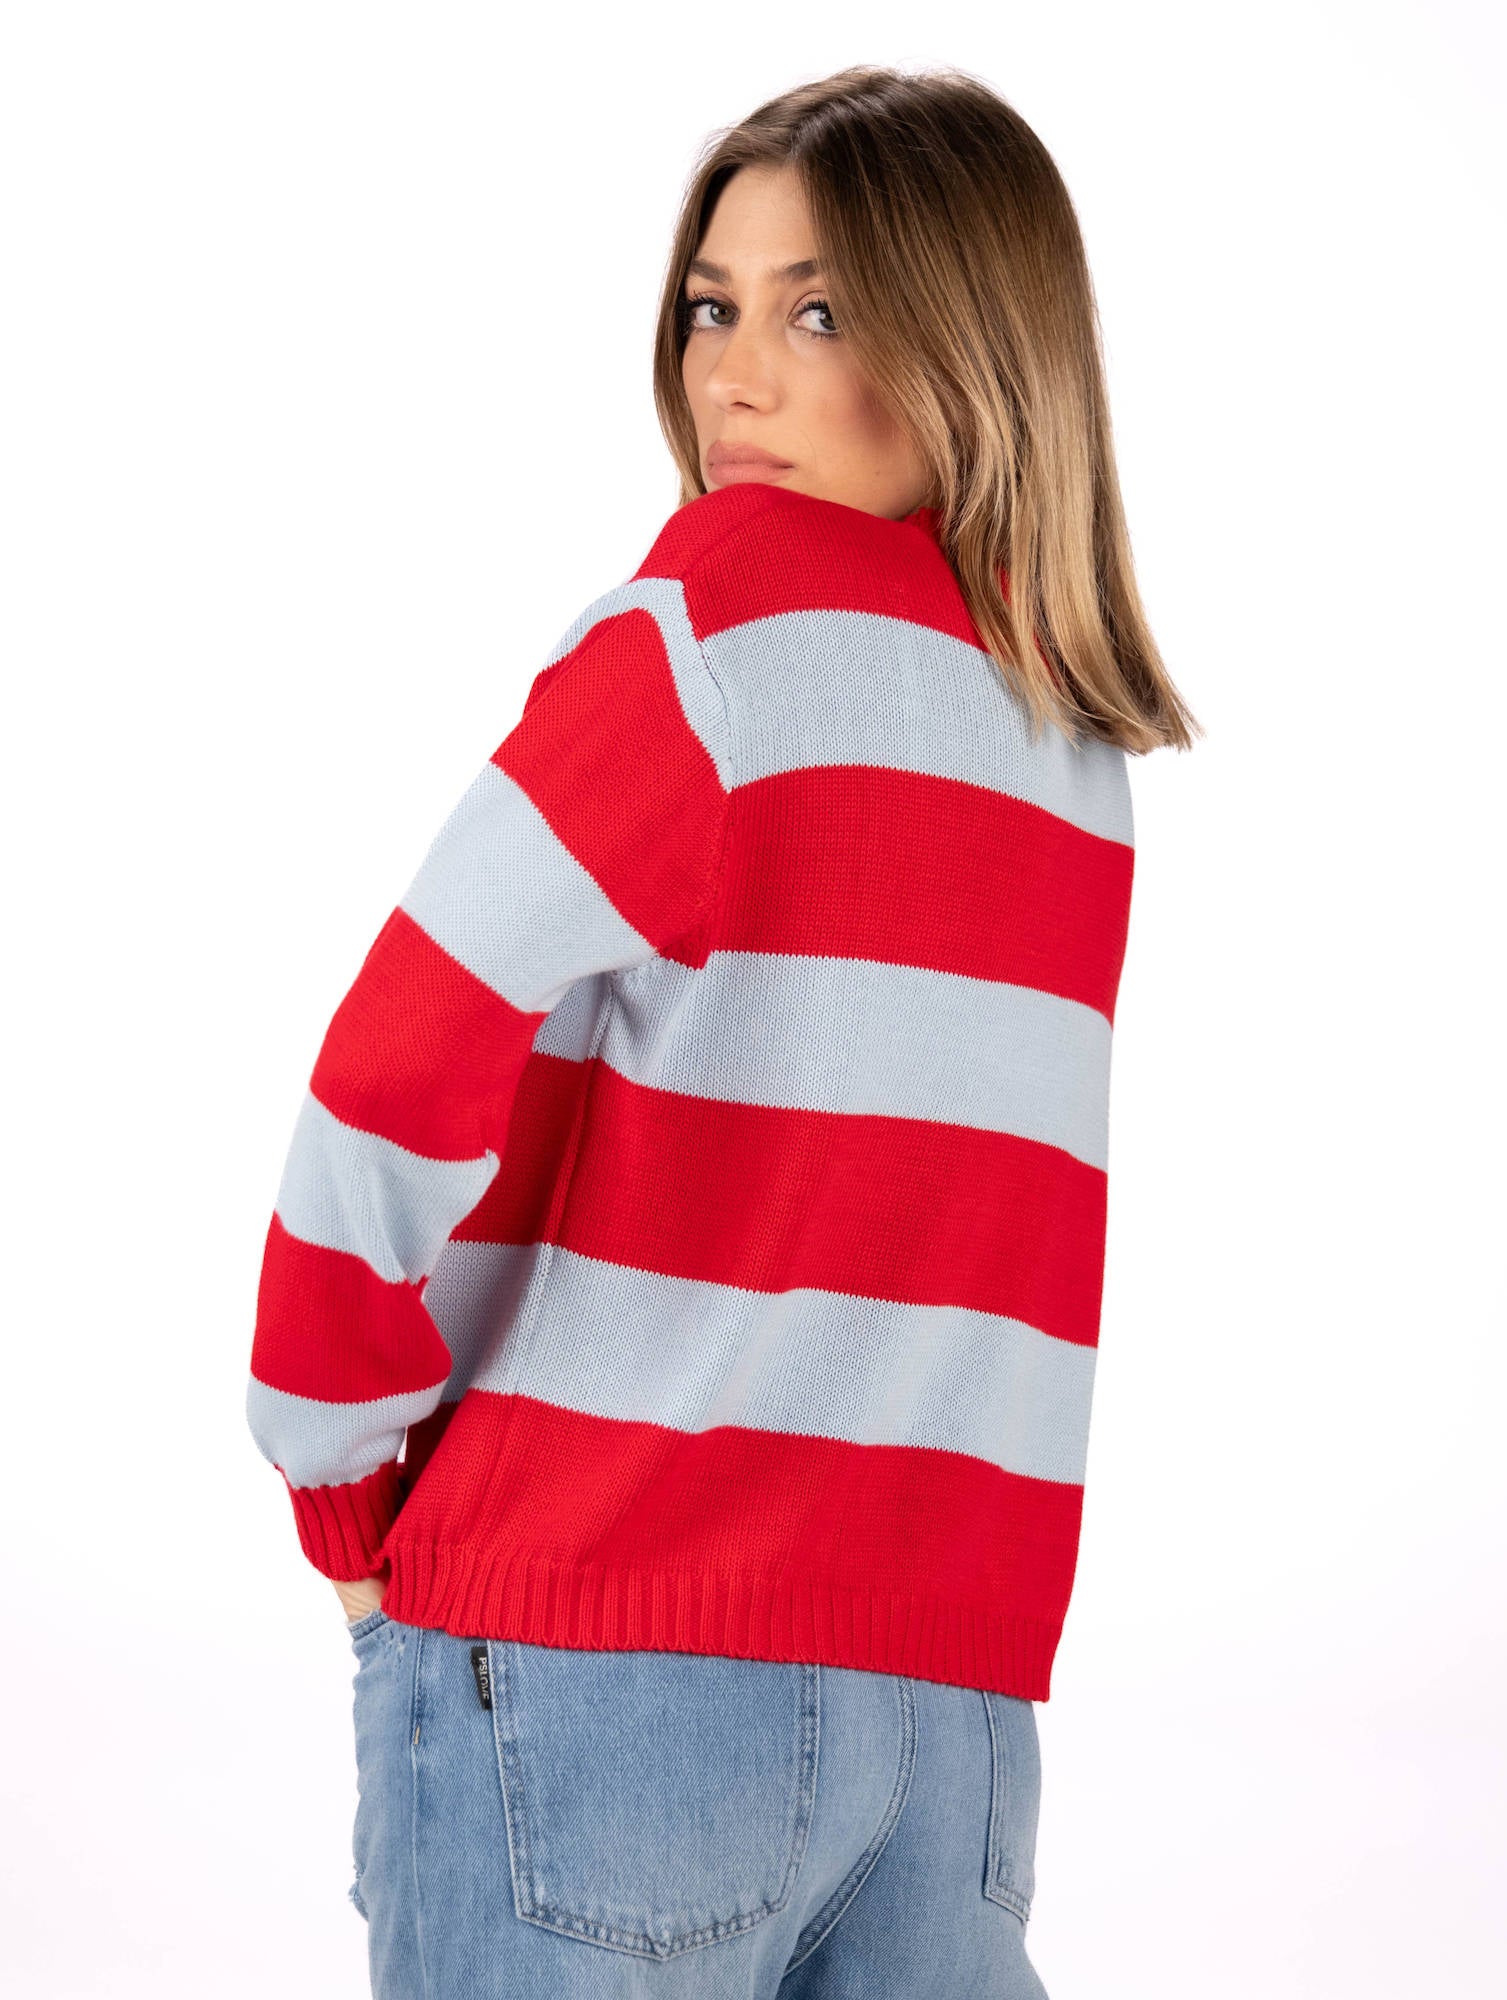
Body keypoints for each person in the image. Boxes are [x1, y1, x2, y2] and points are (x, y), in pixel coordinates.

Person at [246, 61, 1199, 2000]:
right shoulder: (1072, 749)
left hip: (606, 1663)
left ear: (973, 342)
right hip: (946, 1729)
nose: (734, 378)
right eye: (711, 306)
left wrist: (335, 1468)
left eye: (818, 311)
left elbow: (392, 1067)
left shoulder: (715, 622)